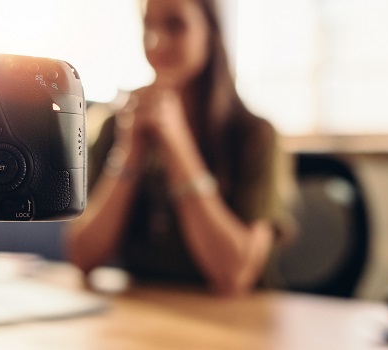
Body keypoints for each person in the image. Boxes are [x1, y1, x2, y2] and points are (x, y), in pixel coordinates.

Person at [65, 0, 295, 296]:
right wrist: (129, 153)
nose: (156, 41)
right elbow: (82, 256)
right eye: (149, 25)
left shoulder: (255, 135)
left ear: (211, 31)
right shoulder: (119, 126)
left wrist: (178, 145)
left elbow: (235, 275)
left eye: (176, 25)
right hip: (146, 319)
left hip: (234, 325)